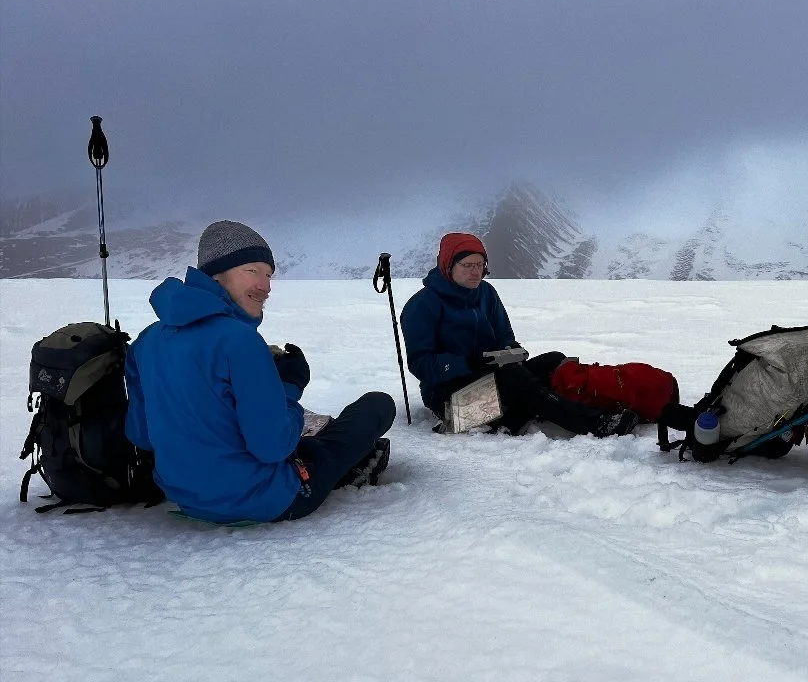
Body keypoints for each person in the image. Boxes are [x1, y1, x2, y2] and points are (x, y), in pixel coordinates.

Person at [125, 220, 396, 524]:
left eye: (268, 275)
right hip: (263, 498)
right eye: (252, 271)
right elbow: (273, 446)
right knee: (376, 406)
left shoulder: (146, 341)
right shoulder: (238, 340)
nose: (265, 287)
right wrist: (290, 386)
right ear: (215, 275)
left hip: (186, 497)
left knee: (306, 443)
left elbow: (142, 436)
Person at [400, 232, 640, 437]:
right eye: (467, 266)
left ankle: (511, 418)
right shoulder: (422, 305)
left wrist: (510, 351)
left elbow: (504, 335)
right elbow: (421, 364)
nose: (476, 272)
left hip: (493, 381)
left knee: (553, 361)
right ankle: (594, 423)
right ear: (448, 266)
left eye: (480, 265)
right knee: (514, 378)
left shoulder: (486, 293)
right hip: (453, 403)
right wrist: (469, 362)